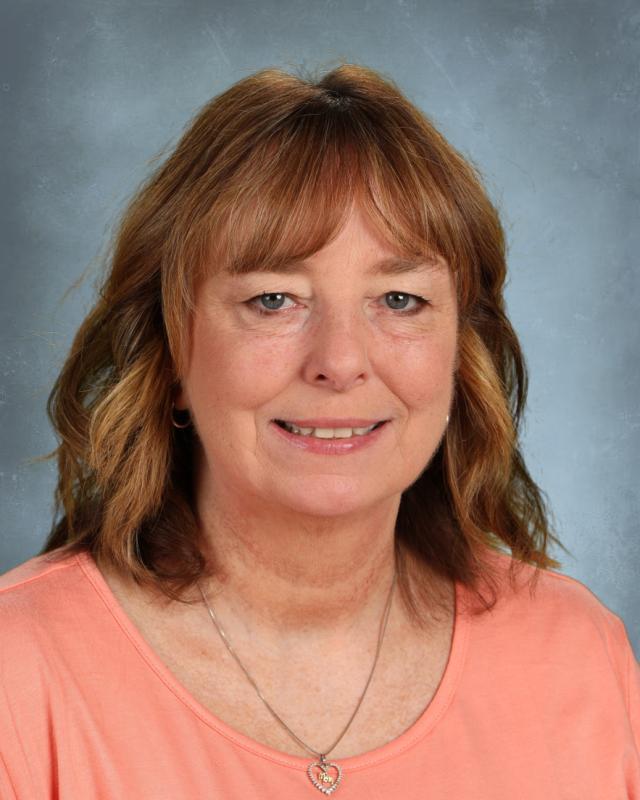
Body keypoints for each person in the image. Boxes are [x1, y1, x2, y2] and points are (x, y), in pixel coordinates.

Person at [0, 64, 638, 799]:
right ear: (172, 352)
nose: (339, 362)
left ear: (460, 354)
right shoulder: (21, 673)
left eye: (399, 299)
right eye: (275, 299)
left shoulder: (578, 656)